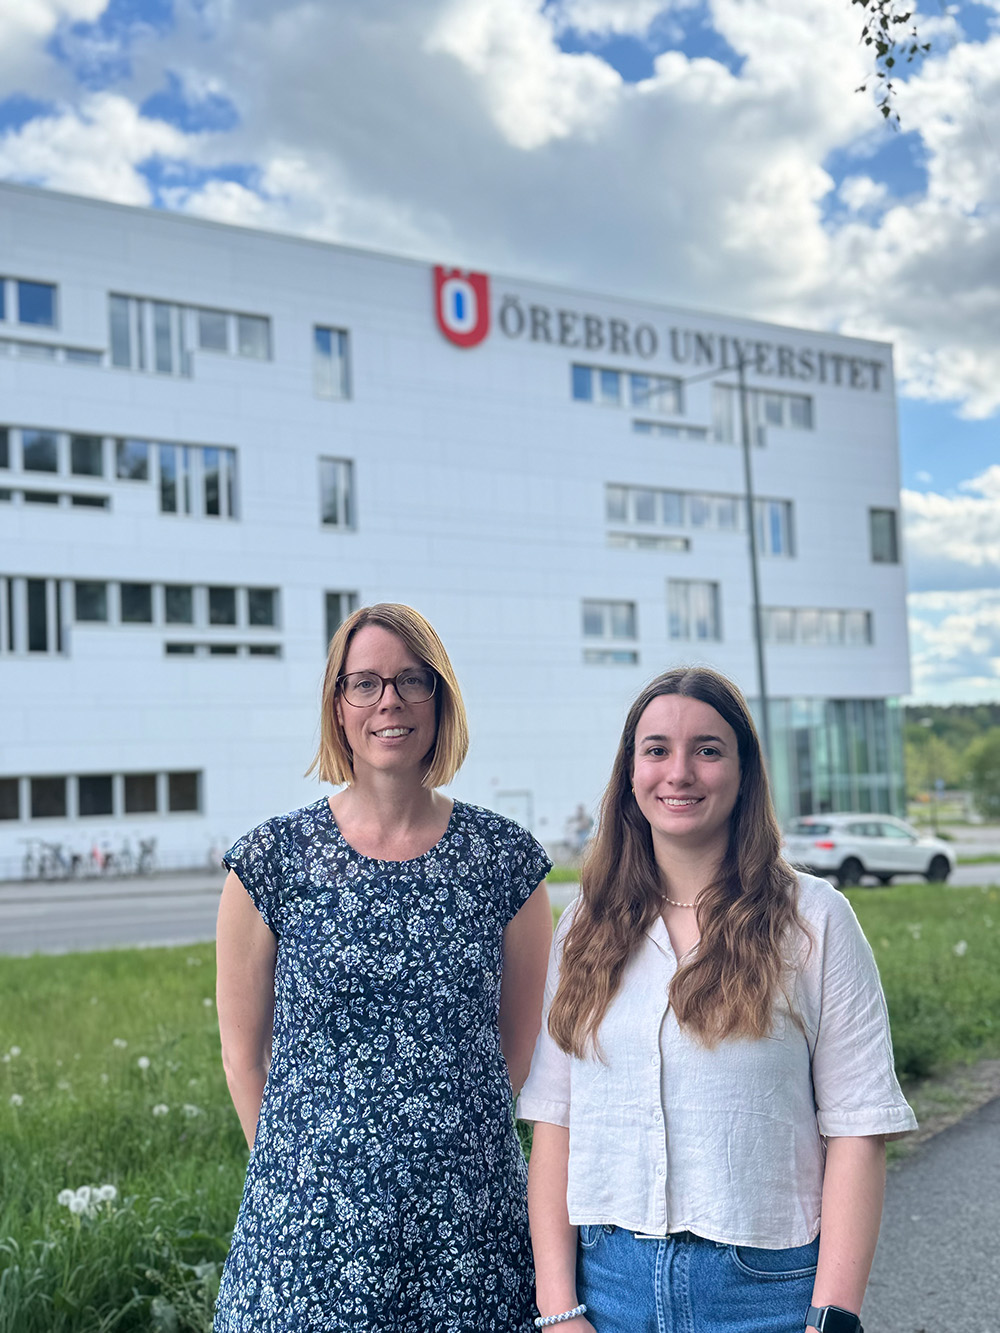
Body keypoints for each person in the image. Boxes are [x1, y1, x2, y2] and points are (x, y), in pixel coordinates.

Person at [518, 666, 916, 1333]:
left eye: (707, 749)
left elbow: (858, 1128)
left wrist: (832, 1318)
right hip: (609, 1288)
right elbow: (555, 1121)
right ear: (631, 772)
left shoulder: (815, 920)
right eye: (657, 749)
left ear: (743, 770)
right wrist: (558, 1309)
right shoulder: (585, 924)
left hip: (766, 1293)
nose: (679, 772)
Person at [214, 603, 553, 1332]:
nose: (388, 700)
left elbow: (519, 1048)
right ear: (338, 706)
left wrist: (441, 1155)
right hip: (307, 1231)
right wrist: (301, 1178)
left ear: (440, 698)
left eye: (410, 680)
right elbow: (243, 1056)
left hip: (468, 1226)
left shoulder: (505, 861)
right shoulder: (272, 861)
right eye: (364, 683)